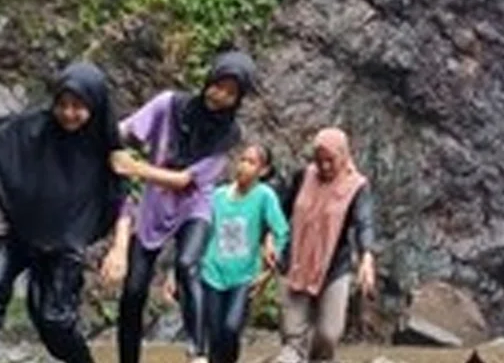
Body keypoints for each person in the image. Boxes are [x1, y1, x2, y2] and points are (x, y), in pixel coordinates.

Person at [0, 63, 125, 363]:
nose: (68, 113)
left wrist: (119, 249)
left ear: (94, 106)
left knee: (53, 320)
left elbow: (122, 199)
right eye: (63, 105)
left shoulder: (105, 146)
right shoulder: (36, 126)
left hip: (64, 243)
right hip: (22, 232)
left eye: (78, 107)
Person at [104, 51, 258, 363]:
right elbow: (126, 131)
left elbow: (184, 180)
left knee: (188, 264)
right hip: (154, 206)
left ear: (238, 99)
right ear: (208, 81)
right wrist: (101, 139)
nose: (220, 96)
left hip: (194, 206)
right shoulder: (169, 105)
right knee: (134, 290)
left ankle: (197, 352)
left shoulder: (229, 134)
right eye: (218, 85)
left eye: (231, 93)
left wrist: (135, 168)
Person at [277, 128, 377, 363]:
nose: (324, 166)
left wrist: (366, 256)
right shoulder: (303, 176)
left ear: (344, 155)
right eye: (319, 160)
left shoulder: (357, 186)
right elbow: (280, 210)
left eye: (330, 160)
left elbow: (364, 222)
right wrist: (271, 238)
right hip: (297, 261)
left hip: (334, 266)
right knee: (292, 339)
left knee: (329, 335)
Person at [202, 143, 290, 363]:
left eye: (251, 162)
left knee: (231, 328)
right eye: (242, 160)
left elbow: (281, 231)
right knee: (214, 335)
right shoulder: (217, 196)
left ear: (263, 170)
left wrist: (269, 270)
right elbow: (202, 231)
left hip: (244, 277)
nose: (243, 166)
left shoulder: (265, 196)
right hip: (212, 272)